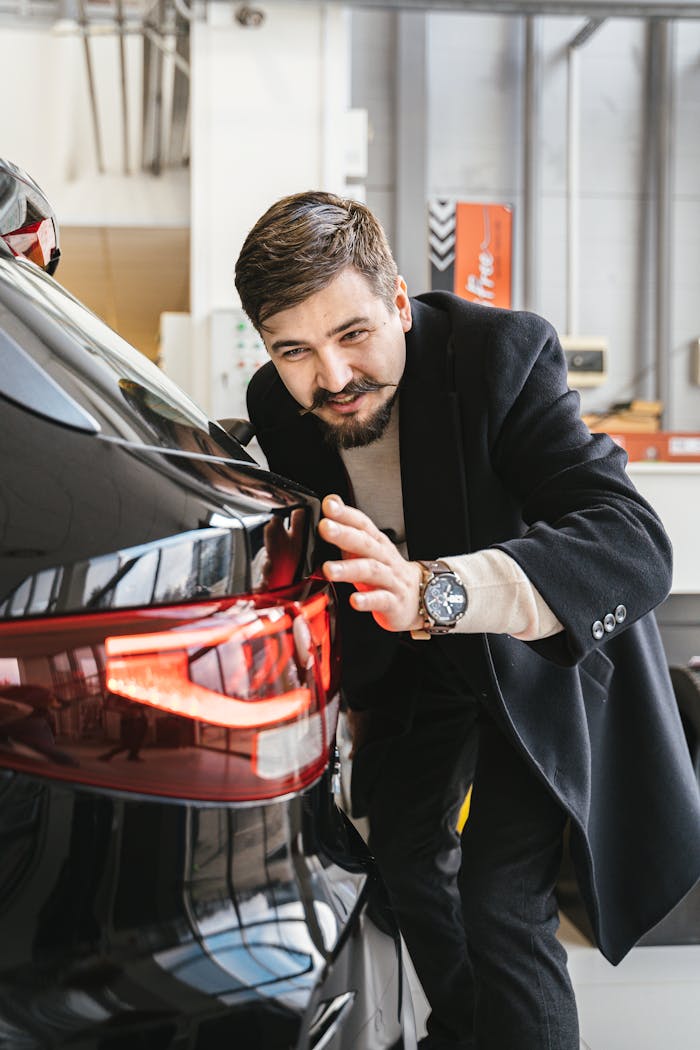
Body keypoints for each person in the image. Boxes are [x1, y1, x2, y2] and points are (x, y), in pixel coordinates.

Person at [234, 191, 700, 1050]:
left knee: (501, 905)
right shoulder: (277, 402)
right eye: (293, 350)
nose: (331, 378)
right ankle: (469, 1033)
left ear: (402, 304)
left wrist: (433, 591)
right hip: (415, 674)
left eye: (353, 335)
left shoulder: (499, 355)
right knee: (407, 861)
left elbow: (633, 539)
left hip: (531, 662)